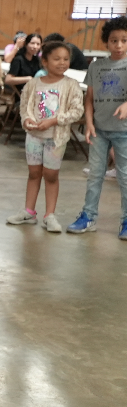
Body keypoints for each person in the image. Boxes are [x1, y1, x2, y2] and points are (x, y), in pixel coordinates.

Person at [5, 42, 85, 233]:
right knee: (33, 174)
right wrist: (27, 121)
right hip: (34, 136)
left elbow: (76, 111)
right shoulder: (34, 84)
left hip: (55, 138)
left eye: (66, 59)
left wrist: (53, 121)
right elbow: (25, 106)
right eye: (57, 59)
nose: (62, 63)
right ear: (45, 61)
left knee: (51, 175)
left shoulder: (71, 85)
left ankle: (49, 215)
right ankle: (29, 212)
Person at [66, 16, 127, 240]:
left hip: (124, 132)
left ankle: (126, 220)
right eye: (114, 41)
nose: (119, 45)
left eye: (124, 40)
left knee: (125, 177)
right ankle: (88, 216)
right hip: (99, 131)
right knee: (95, 175)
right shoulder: (96, 66)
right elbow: (89, 99)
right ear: (106, 42)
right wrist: (89, 123)